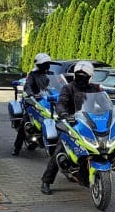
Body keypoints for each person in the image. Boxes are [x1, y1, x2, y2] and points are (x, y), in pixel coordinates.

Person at [40, 60, 101, 194]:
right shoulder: (68, 88)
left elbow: (103, 103)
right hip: (71, 123)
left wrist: (113, 114)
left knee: (98, 147)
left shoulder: (95, 88)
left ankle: (86, 174)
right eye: (79, 75)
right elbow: (61, 103)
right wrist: (64, 114)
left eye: (84, 76)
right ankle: (46, 181)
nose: (81, 78)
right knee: (60, 149)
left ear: (90, 77)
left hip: (89, 123)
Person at [12, 52, 52, 156]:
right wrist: (31, 94)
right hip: (32, 102)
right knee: (25, 122)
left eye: (48, 64)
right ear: (40, 64)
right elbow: (28, 85)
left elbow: (54, 87)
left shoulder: (49, 75)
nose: (47, 66)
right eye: (45, 64)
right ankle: (16, 148)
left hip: (45, 102)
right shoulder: (32, 75)